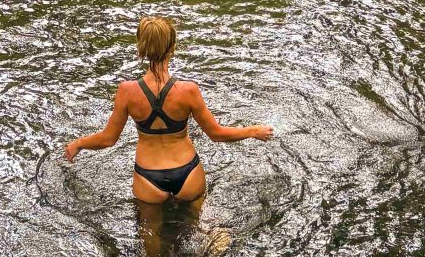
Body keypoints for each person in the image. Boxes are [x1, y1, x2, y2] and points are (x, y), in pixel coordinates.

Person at [64, 15, 274, 205]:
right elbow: (216, 134)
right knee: (201, 231)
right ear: (173, 46)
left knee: (151, 246)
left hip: (148, 176)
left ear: (142, 48)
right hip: (188, 171)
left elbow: (108, 139)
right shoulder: (188, 90)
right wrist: (253, 131)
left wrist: (78, 144)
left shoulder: (126, 91)